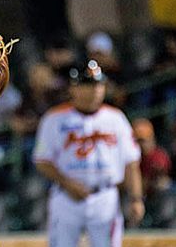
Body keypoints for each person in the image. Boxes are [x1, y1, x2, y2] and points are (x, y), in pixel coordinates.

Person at [32, 60, 144, 247]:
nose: (95, 90)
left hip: (105, 195)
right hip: (66, 197)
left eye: (98, 84)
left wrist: (136, 198)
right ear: (73, 88)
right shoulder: (54, 118)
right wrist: (68, 184)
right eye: (87, 85)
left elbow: (131, 162)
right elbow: (42, 160)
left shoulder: (116, 118)